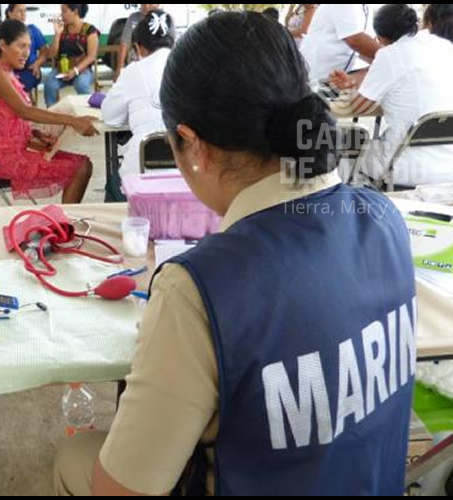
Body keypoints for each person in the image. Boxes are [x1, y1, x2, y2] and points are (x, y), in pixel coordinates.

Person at [54, 11, 417, 496]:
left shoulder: (198, 288)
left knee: (75, 460)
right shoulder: (385, 219)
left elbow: (122, 490)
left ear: (192, 144)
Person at [330, 4, 453, 188]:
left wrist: (348, 89)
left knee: (345, 152)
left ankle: (353, 209)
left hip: (403, 166)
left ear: (381, 38)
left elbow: (357, 107)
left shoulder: (390, 54)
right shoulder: (445, 47)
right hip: (451, 166)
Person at [0, 20, 98, 204]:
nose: (27, 53)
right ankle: (65, 226)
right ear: (3, 45)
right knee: (80, 167)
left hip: (21, 148)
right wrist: (74, 121)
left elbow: (12, 118)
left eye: (29, 47)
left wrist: (36, 134)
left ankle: (65, 223)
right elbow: (24, 111)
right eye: (21, 46)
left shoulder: (4, 71)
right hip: (8, 159)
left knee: (84, 164)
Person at [102, 11, 174, 182]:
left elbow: (110, 117)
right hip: (188, 173)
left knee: (114, 184)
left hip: (142, 173)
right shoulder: (190, 66)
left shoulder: (132, 72)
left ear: (138, 47)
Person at [300, 4, 380, 83]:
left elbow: (362, 48)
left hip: (337, 77)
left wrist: (380, 61)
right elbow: (355, 40)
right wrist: (389, 56)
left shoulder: (366, 7)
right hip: (318, 75)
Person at [44, 4, 99, 107]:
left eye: (64, 11)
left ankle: (90, 111)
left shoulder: (90, 30)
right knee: (49, 84)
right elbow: (52, 54)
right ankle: (52, 115)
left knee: (81, 84)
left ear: (75, 11)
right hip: (62, 69)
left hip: (83, 69)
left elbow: (92, 56)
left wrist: (75, 71)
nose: (61, 15)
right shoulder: (62, 29)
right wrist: (57, 34)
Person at [114, 4, 174, 81]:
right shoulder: (133, 18)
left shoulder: (167, 19)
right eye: (143, 4)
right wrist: (120, 68)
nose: (146, 6)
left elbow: (172, 45)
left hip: (161, 65)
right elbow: (124, 43)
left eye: (150, 4)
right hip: (137, 63)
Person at [6, 4, 49, 93]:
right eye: (19, 11)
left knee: (21, 85)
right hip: (8, 69)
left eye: (25, 11)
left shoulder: (32, 30)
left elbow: (44, 51)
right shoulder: (2, 31)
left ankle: (25, 104)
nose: (23, 14)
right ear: (10, 13)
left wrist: (37, 63)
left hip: (29, 69)